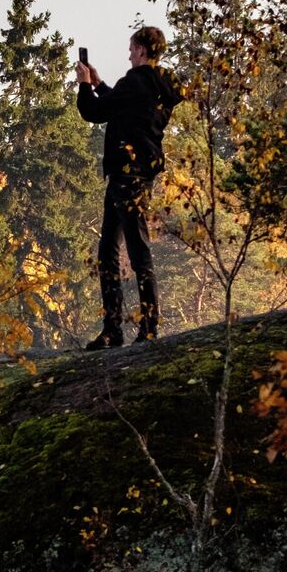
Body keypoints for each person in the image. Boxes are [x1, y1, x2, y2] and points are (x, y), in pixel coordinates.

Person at [76, 25, 182, 349]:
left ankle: (144, 328)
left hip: (126, 176)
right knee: (109, 250)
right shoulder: (159, 87)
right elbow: (121, 106)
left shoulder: (134, 82)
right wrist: (100, 84)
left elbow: (94, 111)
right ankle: (115, 329)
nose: (128, 54)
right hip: (140, 174)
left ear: (141, 50)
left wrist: (84, 87)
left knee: (134, 252)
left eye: (131, 48)